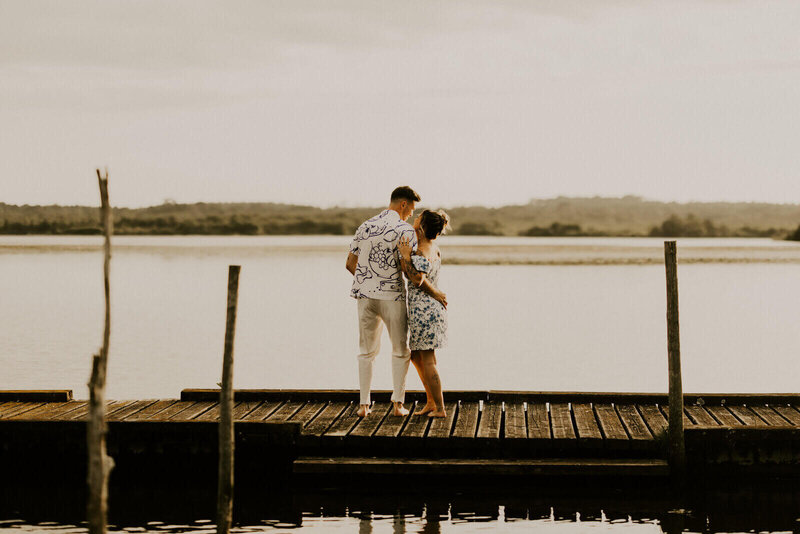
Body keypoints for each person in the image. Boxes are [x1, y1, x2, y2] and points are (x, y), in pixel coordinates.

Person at [346, 186, 421, 418]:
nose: (411, 215)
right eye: (411, 210)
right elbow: (410, 273)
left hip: (365, 296)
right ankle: (398, 405)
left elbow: (350, 264)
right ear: (403, 205)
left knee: (366, 352)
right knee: (400, 350)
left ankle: (363, 406)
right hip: (392, 297)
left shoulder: (365, 226)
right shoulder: (405, 231)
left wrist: (370, 281)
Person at [397, 209, 450, 418]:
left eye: (417, 219)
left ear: (422, 226)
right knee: (416, 356)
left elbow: (417, 279)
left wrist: (404, 255)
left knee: (427, 359)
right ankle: (430, 402)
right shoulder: (432, 247)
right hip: (427, 308)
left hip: (425, 310)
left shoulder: (421, 250)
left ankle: (440, 408)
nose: (413, 221)